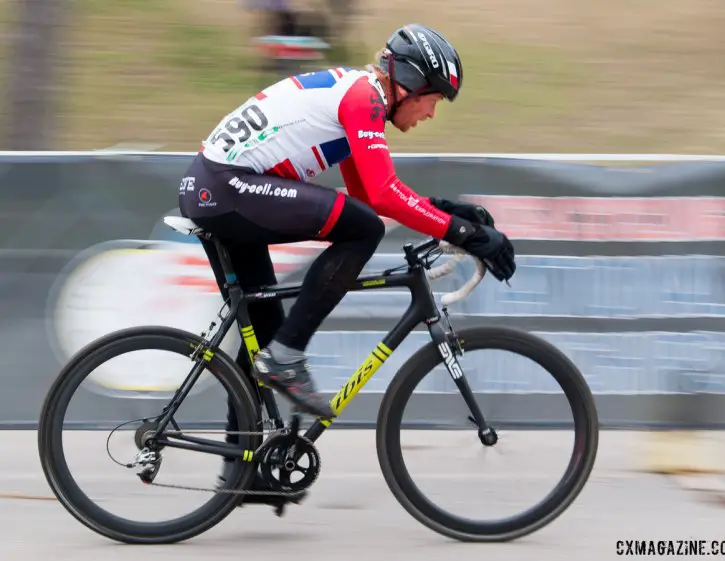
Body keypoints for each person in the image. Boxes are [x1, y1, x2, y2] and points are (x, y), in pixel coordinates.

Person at [178, 23, 517, 423]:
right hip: (226, 188)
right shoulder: (364, 99)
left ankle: (245, 479)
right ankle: (287, 358)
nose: (430, 113)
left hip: (221, 188)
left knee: (264, 339)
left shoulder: (357, 94)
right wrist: (465, 233)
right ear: (408, 84)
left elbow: (367, 194)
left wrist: (444, 210)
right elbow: (380, 197)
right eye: (434, 99)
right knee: (363, 230)